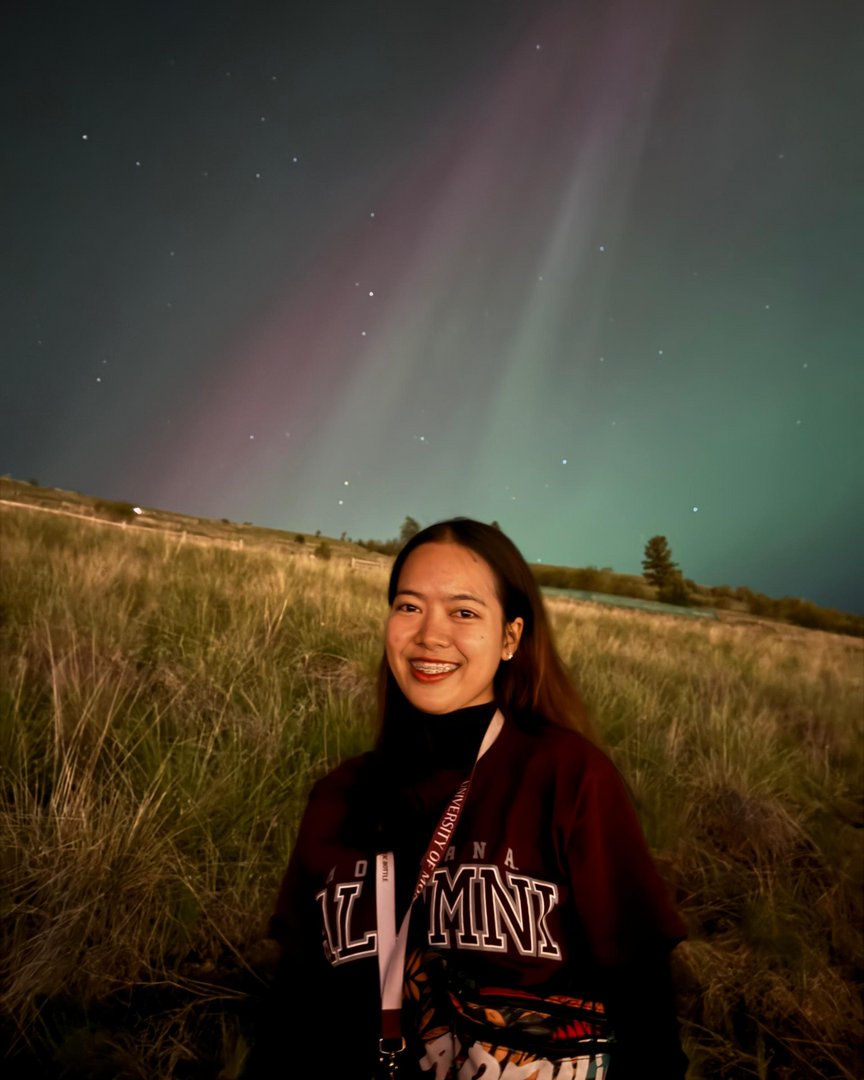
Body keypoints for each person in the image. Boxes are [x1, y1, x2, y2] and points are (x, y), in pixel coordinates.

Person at [247, 518, 688, 1078]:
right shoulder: (338, 796)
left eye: (464, 612)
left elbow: (644, 1003)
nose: (430, 635)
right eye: (409, 607)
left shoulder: (567, 778)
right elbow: (291, 1014)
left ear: (510, 638)